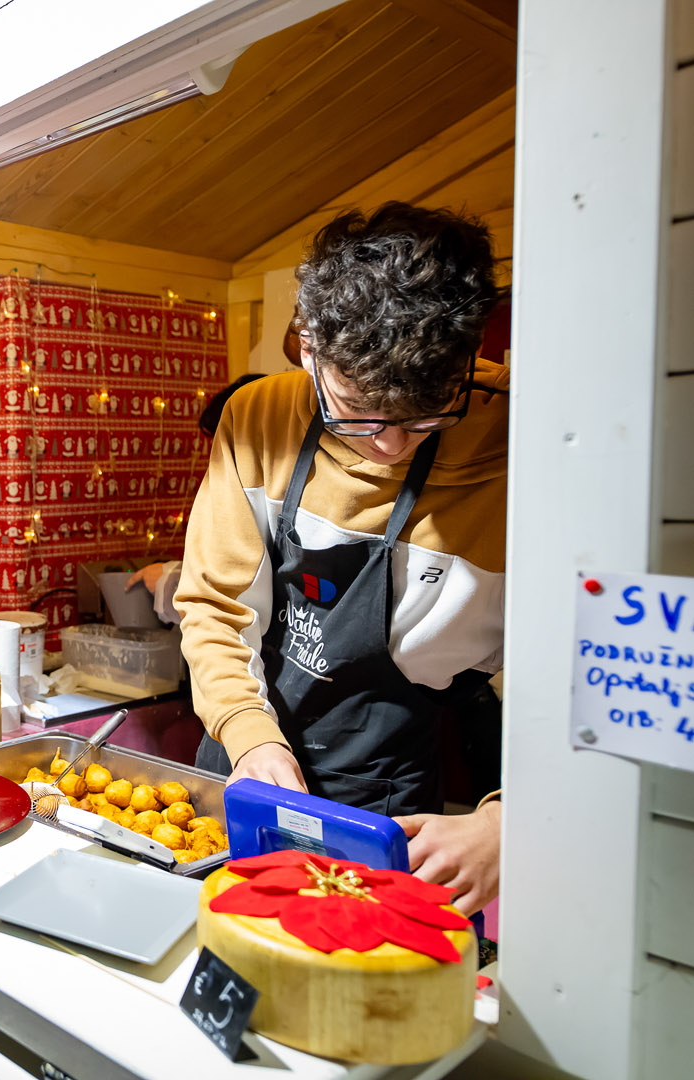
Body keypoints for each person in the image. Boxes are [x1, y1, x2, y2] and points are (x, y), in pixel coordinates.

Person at [169, 204, 507, 913]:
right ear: (309, 348)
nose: (389, 445)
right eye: (357, 411)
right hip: (246, 758)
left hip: (386, 791)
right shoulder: (258, 417)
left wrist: (514, 821)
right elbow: (214, 607)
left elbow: (577, 672)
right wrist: (249, 737)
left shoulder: (526, 434)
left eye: (426, 415)